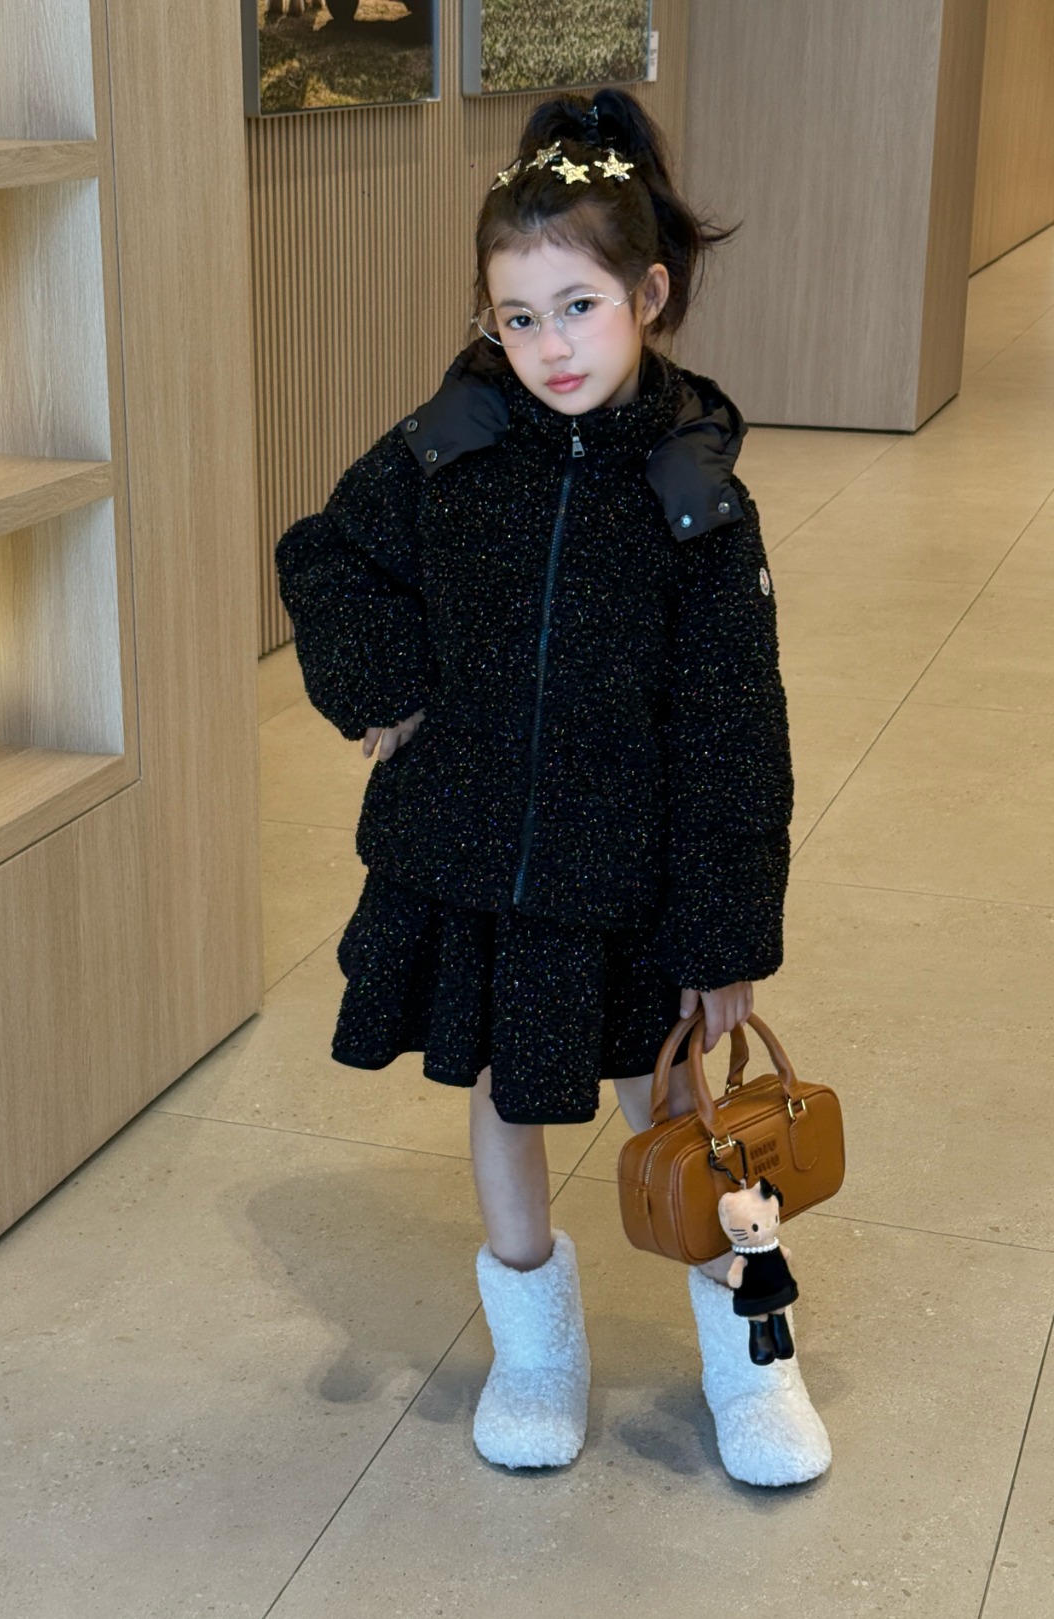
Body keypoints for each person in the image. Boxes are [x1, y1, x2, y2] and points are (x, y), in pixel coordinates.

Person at [275, 87, 830, 1488]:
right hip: (479, 858)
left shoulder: (694, 494)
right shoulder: (451, 448)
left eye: (579, 308)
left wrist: (724, 934)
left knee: (680, 1113)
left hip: (629, 873)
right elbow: (327, 554)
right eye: (518, 317)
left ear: (650, 294)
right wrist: (389, 682)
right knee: (503, 1094)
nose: (552, 347)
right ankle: (535, 1349)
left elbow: (735, 729)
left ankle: (750, 1351)